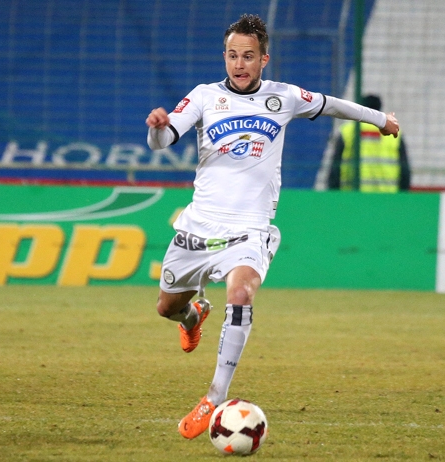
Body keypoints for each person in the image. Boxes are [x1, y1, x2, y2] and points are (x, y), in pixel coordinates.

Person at [145, 14, 399, 440]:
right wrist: (155, 129)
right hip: (199, 226)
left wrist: (379, 119)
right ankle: (192, 318)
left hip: (250, 228)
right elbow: (166, 137)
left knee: (241, 293)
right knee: (166, 307)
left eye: (248, 56)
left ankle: (213, 397)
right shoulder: (205, 97)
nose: (238, 64)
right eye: (231, 55)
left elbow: (334, 104)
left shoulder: (284, 97)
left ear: (264, 59)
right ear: (224, 57)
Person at [327, 94, 410, 192]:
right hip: (387, 196)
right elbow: (404, 168)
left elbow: (335, 166)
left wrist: (334, 191)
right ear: (379, 109)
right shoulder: (394, 132)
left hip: (353, 195)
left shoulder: (347, 131)